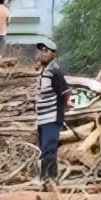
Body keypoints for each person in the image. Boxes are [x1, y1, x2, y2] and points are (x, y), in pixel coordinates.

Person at [32, 42, 68, 182]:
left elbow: (65, 93)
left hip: (52, 117)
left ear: (53, 54)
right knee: (44, 148)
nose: (42, 53)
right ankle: (48, 179)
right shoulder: (44, 71)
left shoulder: (55, 71)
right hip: (43, 117)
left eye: (46, 51)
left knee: (49, 148)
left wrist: (59, 112)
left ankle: (49, 179)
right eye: (41, 50)